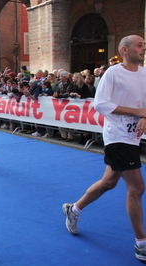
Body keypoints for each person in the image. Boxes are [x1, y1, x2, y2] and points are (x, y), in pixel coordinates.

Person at [62, 35, 146, 261]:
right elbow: (101, 104)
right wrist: (136, 112)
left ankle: (74, 209)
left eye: (144, 45)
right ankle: (141, 243)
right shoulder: (113, 73)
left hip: (133, 136)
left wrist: (144, 115)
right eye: (140, 45)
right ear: (125, 50)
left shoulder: (144, 74)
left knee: (109, 182)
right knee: (137, 188)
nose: (144, 48)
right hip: (117, 136)